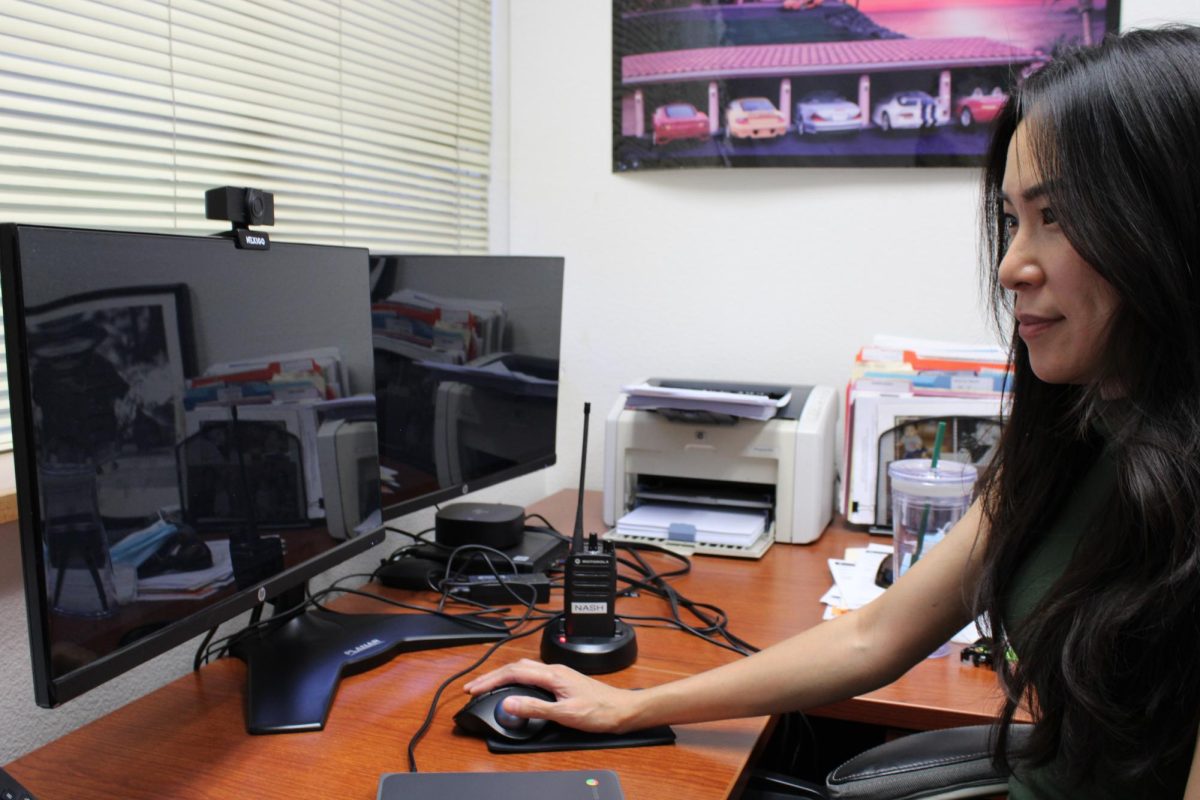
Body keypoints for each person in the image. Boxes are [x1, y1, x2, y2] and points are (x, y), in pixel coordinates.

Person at [466, 25, 1200, 799]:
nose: (1011, 264)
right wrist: (634, 705)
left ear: (1166, 223)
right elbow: (874, 636)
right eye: (1013, 218)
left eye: (1056, 217)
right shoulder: (1073, 432)